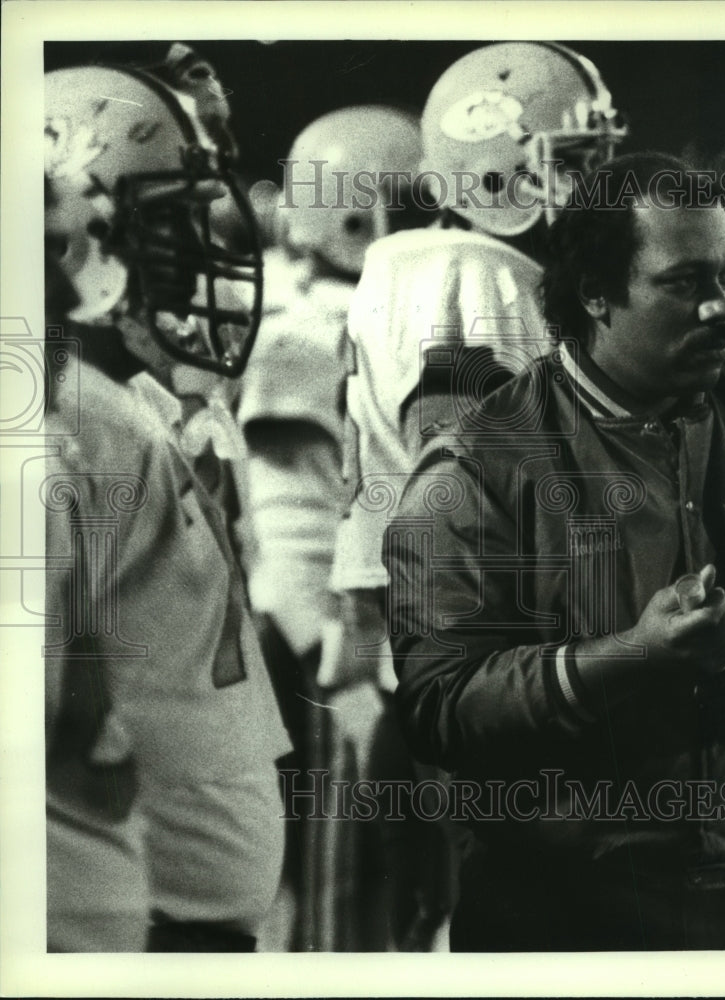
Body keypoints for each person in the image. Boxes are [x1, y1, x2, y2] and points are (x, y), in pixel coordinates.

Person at [384, 151, 725, 951]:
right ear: (594, 294)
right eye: (683, 284)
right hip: (560, 916)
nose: (718, 309)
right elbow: (438, 707)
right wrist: (630, 656)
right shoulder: (481, 463)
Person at [332, 42, 627, 948]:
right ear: (499, 171)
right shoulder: (478, 274)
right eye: (575, 166)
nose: (599, 190)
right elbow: (452, 499)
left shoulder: (405, 265)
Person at [43, 54, 291, 952]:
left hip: (180, 908)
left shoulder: (137, 410)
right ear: (77, 232)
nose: (200, 257)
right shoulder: (62, 428)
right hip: (127, 917)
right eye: (170, 228)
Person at [237, 104, 429, 950]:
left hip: (339, 652)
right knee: (337, 911)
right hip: (325, 664)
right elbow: (288, 544)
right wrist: (349, 686)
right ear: (368, 211)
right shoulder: (312, 330)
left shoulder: (301, 296)